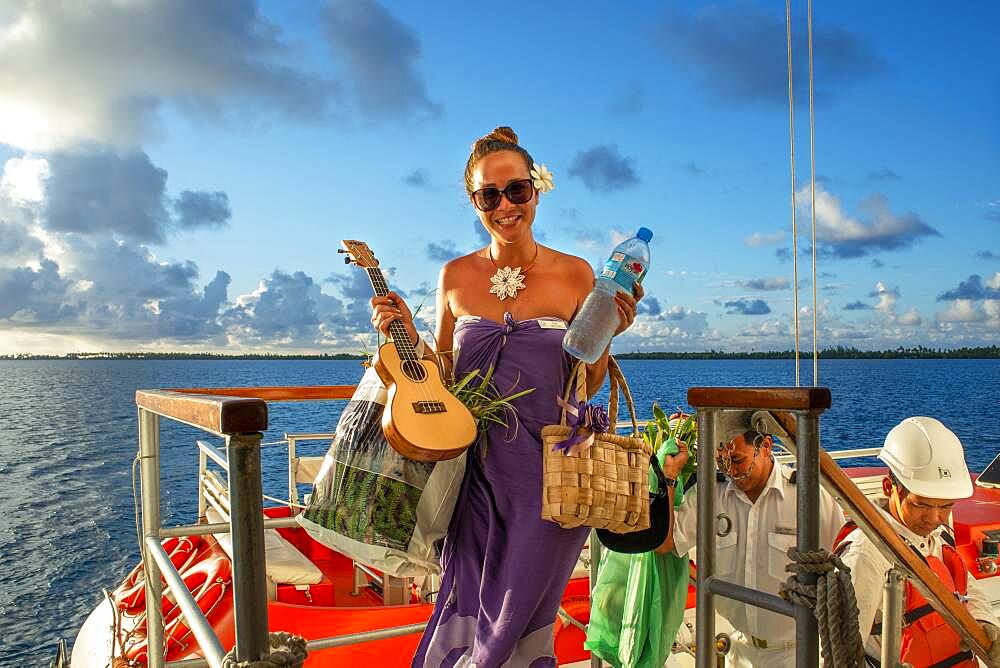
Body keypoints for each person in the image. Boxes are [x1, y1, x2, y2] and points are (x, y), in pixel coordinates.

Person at [369, 126, 643, 668]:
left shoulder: (576, 274)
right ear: (474, 202)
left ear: (537, 190)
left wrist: (607, 338)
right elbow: (441, 383)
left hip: (549, 482)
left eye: (516, 190)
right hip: (472, 478)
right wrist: (403, 330)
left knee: (517, 620)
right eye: (488, 195)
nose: (504, 206)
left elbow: (584, 386)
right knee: (466, 605)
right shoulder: (454, 276)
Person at [655, 410, 845, 668]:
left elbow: (844, 570)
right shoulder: (712, 494)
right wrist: (669, 477)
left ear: (765, 446)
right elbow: (666, 542)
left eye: (737, 460)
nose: (731, 471)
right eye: (722, 462)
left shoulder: (808, 497)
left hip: (797, 654)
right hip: (738, 651)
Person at [835, 416, 1000, 667]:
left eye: (945, 506)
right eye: (921, 504)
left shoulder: (940, 533)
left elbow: (966, 587)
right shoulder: (865, 554)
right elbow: (840, 653)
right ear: (890, 487)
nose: (934, 518)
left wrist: (986, 623)